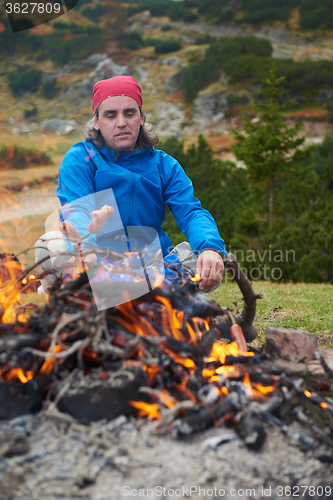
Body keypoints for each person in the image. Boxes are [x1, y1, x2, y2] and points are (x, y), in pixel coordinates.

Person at [38, 75, 227, 293]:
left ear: (141, 118)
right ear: (97, 122)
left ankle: (103, 293)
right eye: (110, 115)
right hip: (95, 262)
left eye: (129, 113)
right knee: (49, 244)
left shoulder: (165, 165)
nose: (121, 123)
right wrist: (87, 249)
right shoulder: (81, 158)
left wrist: (210, 247)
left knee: (202, 260)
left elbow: (191, 212)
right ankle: (126, 292)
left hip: (150, 264)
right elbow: (76, 209)